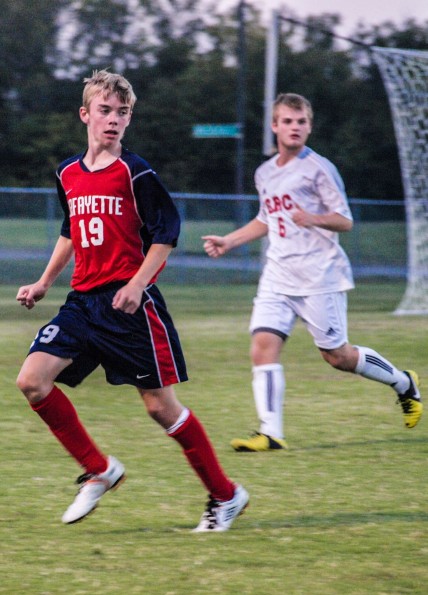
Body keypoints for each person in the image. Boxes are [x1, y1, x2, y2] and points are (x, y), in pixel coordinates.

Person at [16, 69, 249, 530]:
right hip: (83, 303)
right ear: (85, 115)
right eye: (105, 111)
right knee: (32, 381)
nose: (114, 120)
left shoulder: (136, 172)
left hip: (130, 307)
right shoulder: (67, 172)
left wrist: (139, 282)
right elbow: (72, 231)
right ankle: (99, 470)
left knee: (161, 409)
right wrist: (44, 281)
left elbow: (166, 233)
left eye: (122, 113)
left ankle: (226, 496)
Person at [202, 92, 423, 452]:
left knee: (338, 356)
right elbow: (265, 219)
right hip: (278, 274)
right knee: (262, 347)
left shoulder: (319, 169)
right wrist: (230, 241)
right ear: (275, 126)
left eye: (301, 122)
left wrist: (313, 217)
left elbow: (345, 220)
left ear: (309, 127)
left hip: (319, 276)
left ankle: (403, 383)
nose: (295, 127)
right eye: (287, 121)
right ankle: (270, 432)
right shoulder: (265, 172)